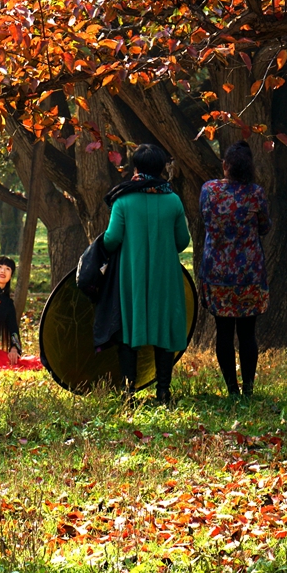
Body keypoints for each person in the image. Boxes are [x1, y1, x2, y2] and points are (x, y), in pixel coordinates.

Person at [100, 144, 191, 403]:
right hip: (166, 275)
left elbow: (112, 238)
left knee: (129, 330)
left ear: (136, 168)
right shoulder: (173, 199)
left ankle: (129, 393)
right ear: (162, 168)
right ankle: (163, 391)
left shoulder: (123, 199)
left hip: (131, 276)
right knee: (164, 329)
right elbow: (182, 241)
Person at [199, 141, 272, 397]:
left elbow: (205, 219)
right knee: (247, 333)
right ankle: (249, 389)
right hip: (249, 272)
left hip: (217, 272)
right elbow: (264, 227)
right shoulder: (256, 194)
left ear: (225, 165)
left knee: (224, 332)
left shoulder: (209, 190)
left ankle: (232, 390)